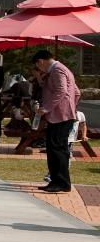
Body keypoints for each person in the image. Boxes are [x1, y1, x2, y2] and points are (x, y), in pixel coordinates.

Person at [34, 49, 81, 193]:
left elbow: (61, 91)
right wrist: (70, 106)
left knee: (56, 150)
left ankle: (60, 182)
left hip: (59, 116)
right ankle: (59, 181)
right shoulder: (62, 70)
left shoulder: (57, 70)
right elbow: (77, 92)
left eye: (38, 66)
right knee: (59, 149)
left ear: (40, 61)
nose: (39, 69)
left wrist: (46, 108)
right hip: (64, 114)